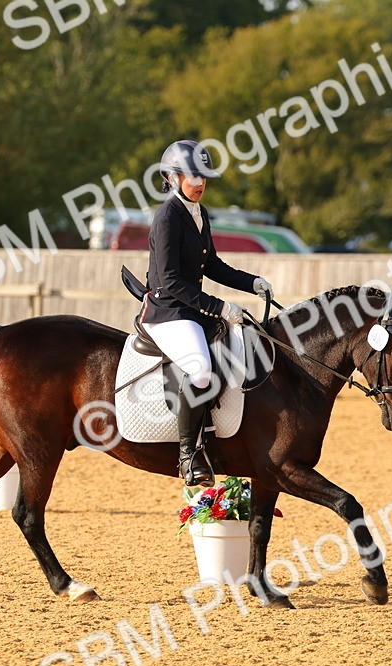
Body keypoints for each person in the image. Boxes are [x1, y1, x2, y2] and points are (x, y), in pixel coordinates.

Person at [139, 139, 272, 487]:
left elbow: (211, 264)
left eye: (204, 177)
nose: (199, 184)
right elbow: (169, 281)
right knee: (199, 370)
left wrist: (251, 282)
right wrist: (220, 307)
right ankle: (187, 454)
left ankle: (214, 433)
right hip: (167, 311)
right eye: (191, 176)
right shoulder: (167, 216)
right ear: (171, 177)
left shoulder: (199, 212)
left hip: (190, 309)